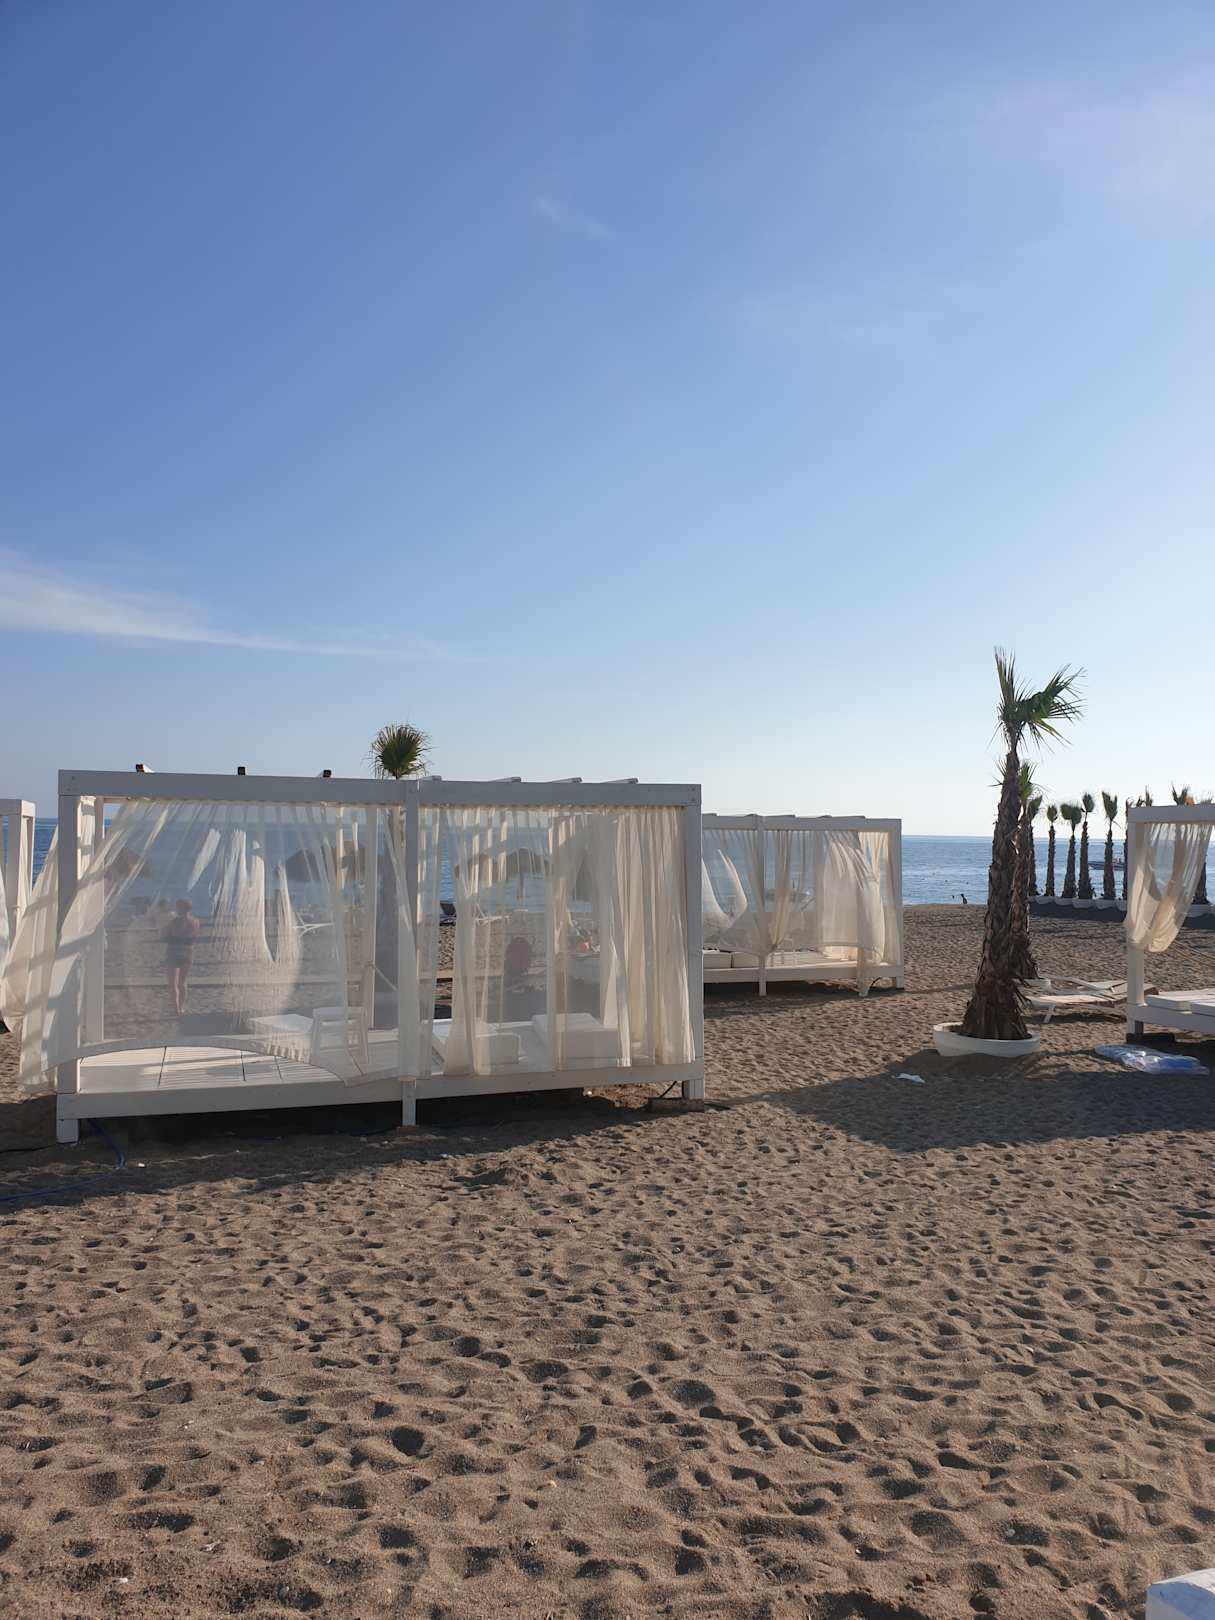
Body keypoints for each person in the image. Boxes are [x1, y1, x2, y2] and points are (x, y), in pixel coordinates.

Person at [163, 899, 200, 1016]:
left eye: (177, 907)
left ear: (180, 908)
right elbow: (194, 937)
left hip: (173, 952)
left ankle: (176, 1009)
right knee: (182, 982)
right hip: (187, 952)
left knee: (172, 983)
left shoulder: (173, 922)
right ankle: (181, 1006)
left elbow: (165, 936)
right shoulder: (195, 922)